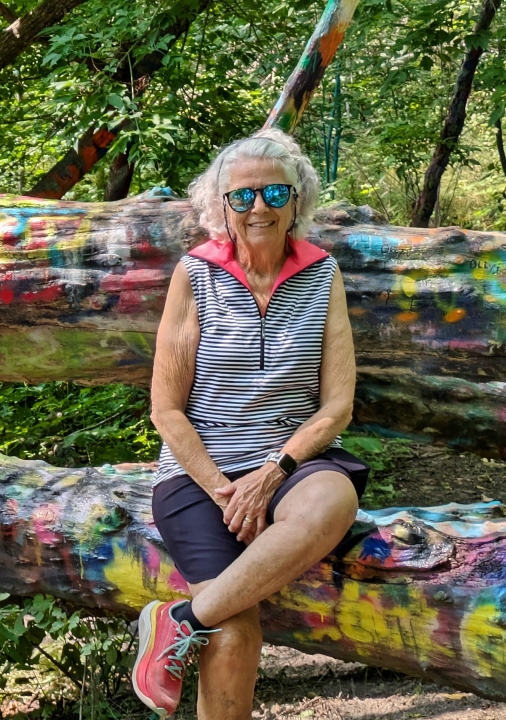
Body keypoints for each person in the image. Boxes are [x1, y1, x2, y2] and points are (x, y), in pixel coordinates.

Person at [130, 128, 368, 719]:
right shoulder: (196, 274)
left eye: (273, 193)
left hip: (292, 463)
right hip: (197, 476)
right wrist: (221, 487)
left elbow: (337, 407)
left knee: (331, 503)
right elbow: (165, 409)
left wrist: (272, 472)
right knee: (234, 634)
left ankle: (178, 622)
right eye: (242, 197)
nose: (258, 207)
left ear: (297, 201)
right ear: (222, 207)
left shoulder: (322, 274)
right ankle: (202, 621)